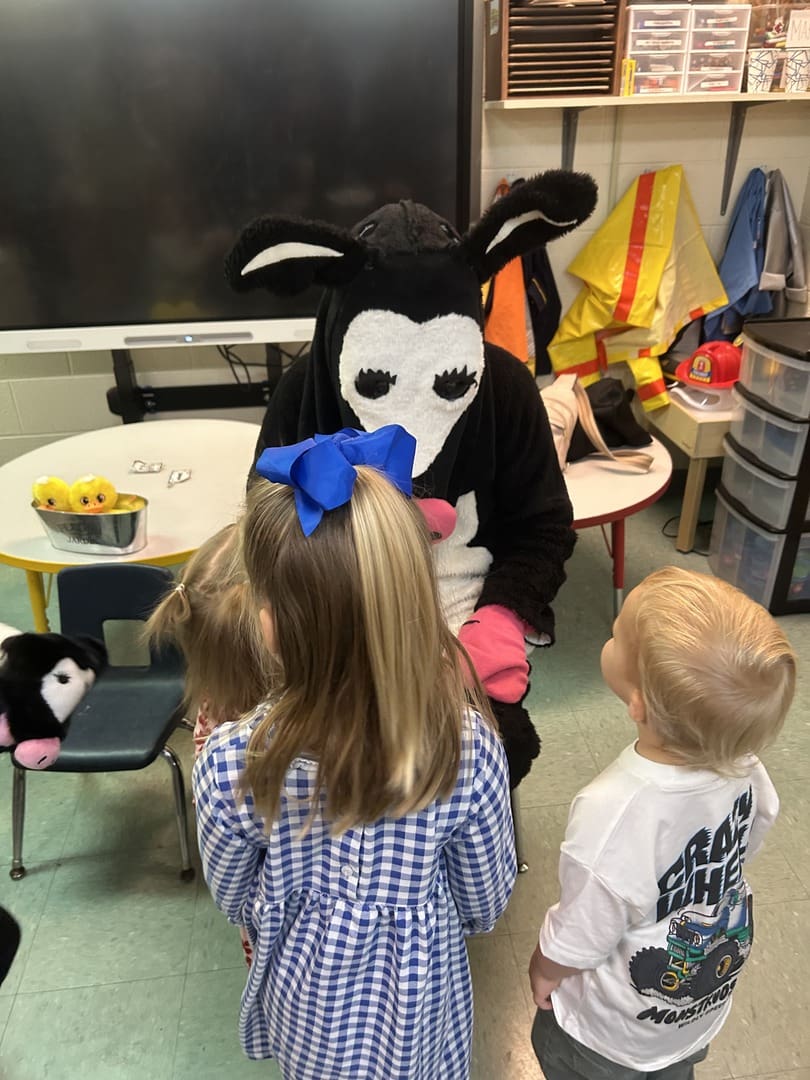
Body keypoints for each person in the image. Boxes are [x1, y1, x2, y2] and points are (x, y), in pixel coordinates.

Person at [192, 425, 516, 1079]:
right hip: (423, 1029)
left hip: (307, 1028)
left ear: (274, 624)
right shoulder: (468, 750)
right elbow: (484, 904)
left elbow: (233, 897)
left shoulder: (229, 762)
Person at [528, 565, 796, 1080]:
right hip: (694, 1018)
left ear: (639, 703)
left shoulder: (613, 809)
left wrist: (545, 966)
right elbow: (757, 825)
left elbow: (584, 929)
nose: (609, 639)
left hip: (607, 1036)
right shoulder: (742, 764)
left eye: (615, 636)